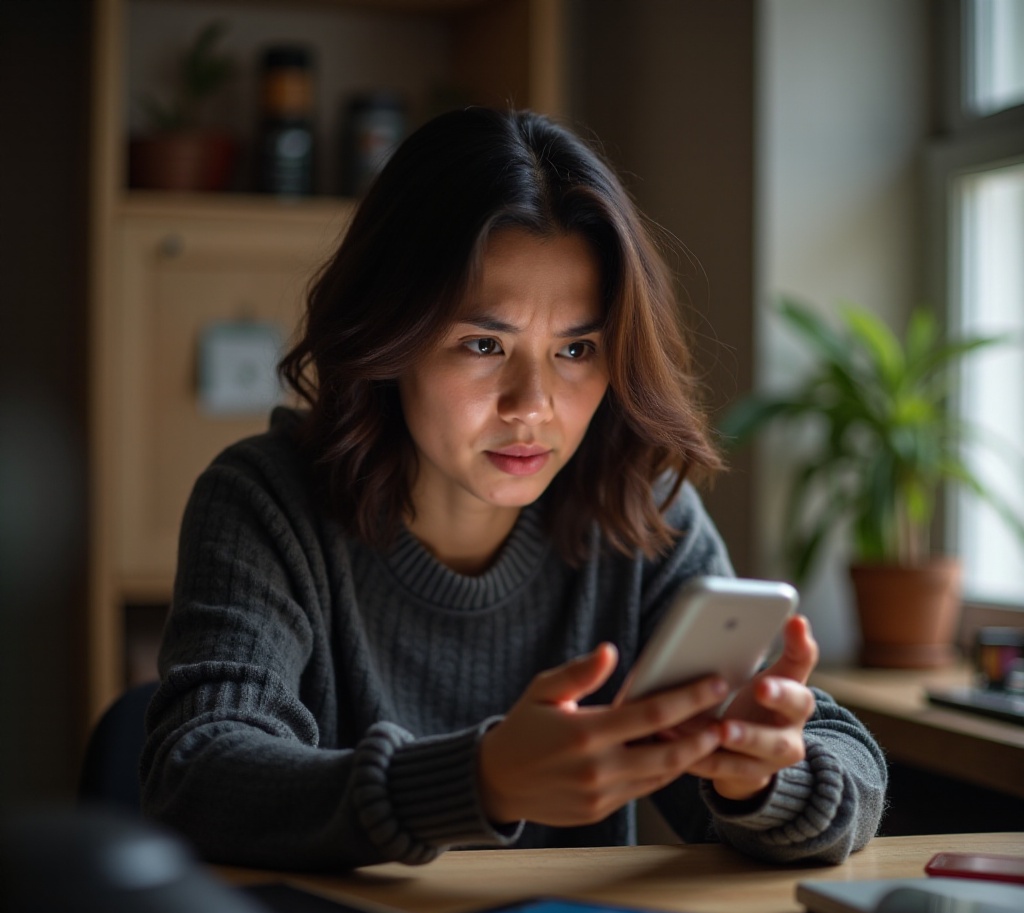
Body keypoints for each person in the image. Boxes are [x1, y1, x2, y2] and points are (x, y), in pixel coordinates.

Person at [140, 107, 887, 871]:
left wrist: (760, 777)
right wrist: (478, 782)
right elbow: (196, 772)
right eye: (483, 344)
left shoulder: (637, 508)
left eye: (576, 349)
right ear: (389, 336)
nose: (532, 405)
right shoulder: (265, 502)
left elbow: (851, 766)